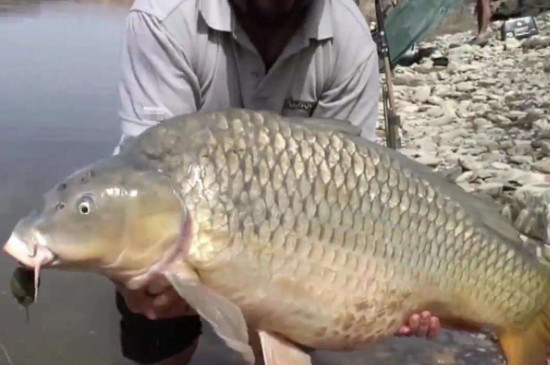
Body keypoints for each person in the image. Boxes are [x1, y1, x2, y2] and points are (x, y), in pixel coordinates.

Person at [114, 0, 442, 364]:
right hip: (196, 213)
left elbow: (352, 202)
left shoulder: (349, 40)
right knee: (147, 277)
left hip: (296, 228)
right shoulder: (163, 18)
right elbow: (142, 174)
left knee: (332, 301)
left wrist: (385, 294)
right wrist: (128, 272)